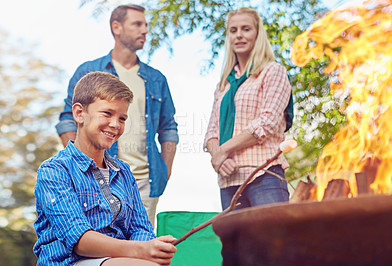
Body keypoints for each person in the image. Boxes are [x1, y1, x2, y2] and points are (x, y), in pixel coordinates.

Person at [34, 71, 177, 266]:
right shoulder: (54, 170)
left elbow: (141, 228)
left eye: (122, 118)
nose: (115, 124)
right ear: (79, 113)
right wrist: (141, 251)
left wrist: (151, 248)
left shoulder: (123, 172)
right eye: (107, 113)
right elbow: (80, 240)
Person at [55, 4, 178, 227]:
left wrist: (165, 170)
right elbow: (67, 120)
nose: (145, 30)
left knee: (140, 248)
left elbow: (168, 128)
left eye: (146, 25)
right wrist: (80, 165)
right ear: (117, 27)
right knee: (96, 246)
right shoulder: (90, 71)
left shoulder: (157, 79)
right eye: (137, 24)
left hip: (144, 181)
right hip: (96, 177)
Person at [204, 7, 292, 211]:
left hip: (264, 174)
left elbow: (266, 123)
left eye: (246, 29)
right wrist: (218, 157)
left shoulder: (272, 72)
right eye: (233, 30)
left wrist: (222, 151)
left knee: (274, 241)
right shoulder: (224, 85)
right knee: (238, 244)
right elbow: (211, 131)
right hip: (229, 180)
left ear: (258, 34)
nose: (239, 35)